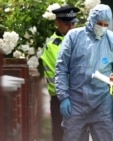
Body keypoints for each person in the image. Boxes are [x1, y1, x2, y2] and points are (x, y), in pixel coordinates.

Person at [55, 4, 113, 141]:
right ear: (91, 20)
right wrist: (63, 96)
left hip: (102, 103)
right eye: (99, 23)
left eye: (106, 24)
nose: (102, 26)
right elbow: (62, 68)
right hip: (75, 101)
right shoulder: (73, 37)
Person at [40, 5, 80, 141]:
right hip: (61, 99)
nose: (71, 27)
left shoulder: (81, 41)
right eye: (66, 23)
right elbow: (60, 71)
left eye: (73, 23)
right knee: (60, 135)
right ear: (57, 23)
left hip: (81, 97)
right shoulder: (53, 45)